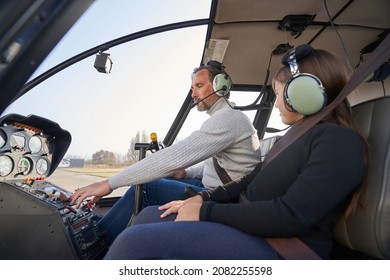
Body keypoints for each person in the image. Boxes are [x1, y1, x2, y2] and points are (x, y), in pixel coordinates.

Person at [103, 44, 369, 260]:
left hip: (282, 249)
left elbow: (290, 217)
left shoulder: (341, 143)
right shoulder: (294, 138)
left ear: (303, 93)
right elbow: (248, 182)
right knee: (151, 215)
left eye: (278, 94)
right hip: (255, 228)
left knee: (133, 244)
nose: (275, 103)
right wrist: (201, 200)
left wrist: (206, 212)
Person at [70, 60, 262, 245]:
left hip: (226, 198)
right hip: (215, 188)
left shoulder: (228, 119)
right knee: (158, 181)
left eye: (199, 86)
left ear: (220, 86)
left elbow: (170, 159)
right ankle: (101, 228)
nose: (193, 94)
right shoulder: (226, 118)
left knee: (147, 188)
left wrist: (109, 183)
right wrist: (185, 173)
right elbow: (211, 166)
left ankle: (99, 241)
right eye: (192, 87)